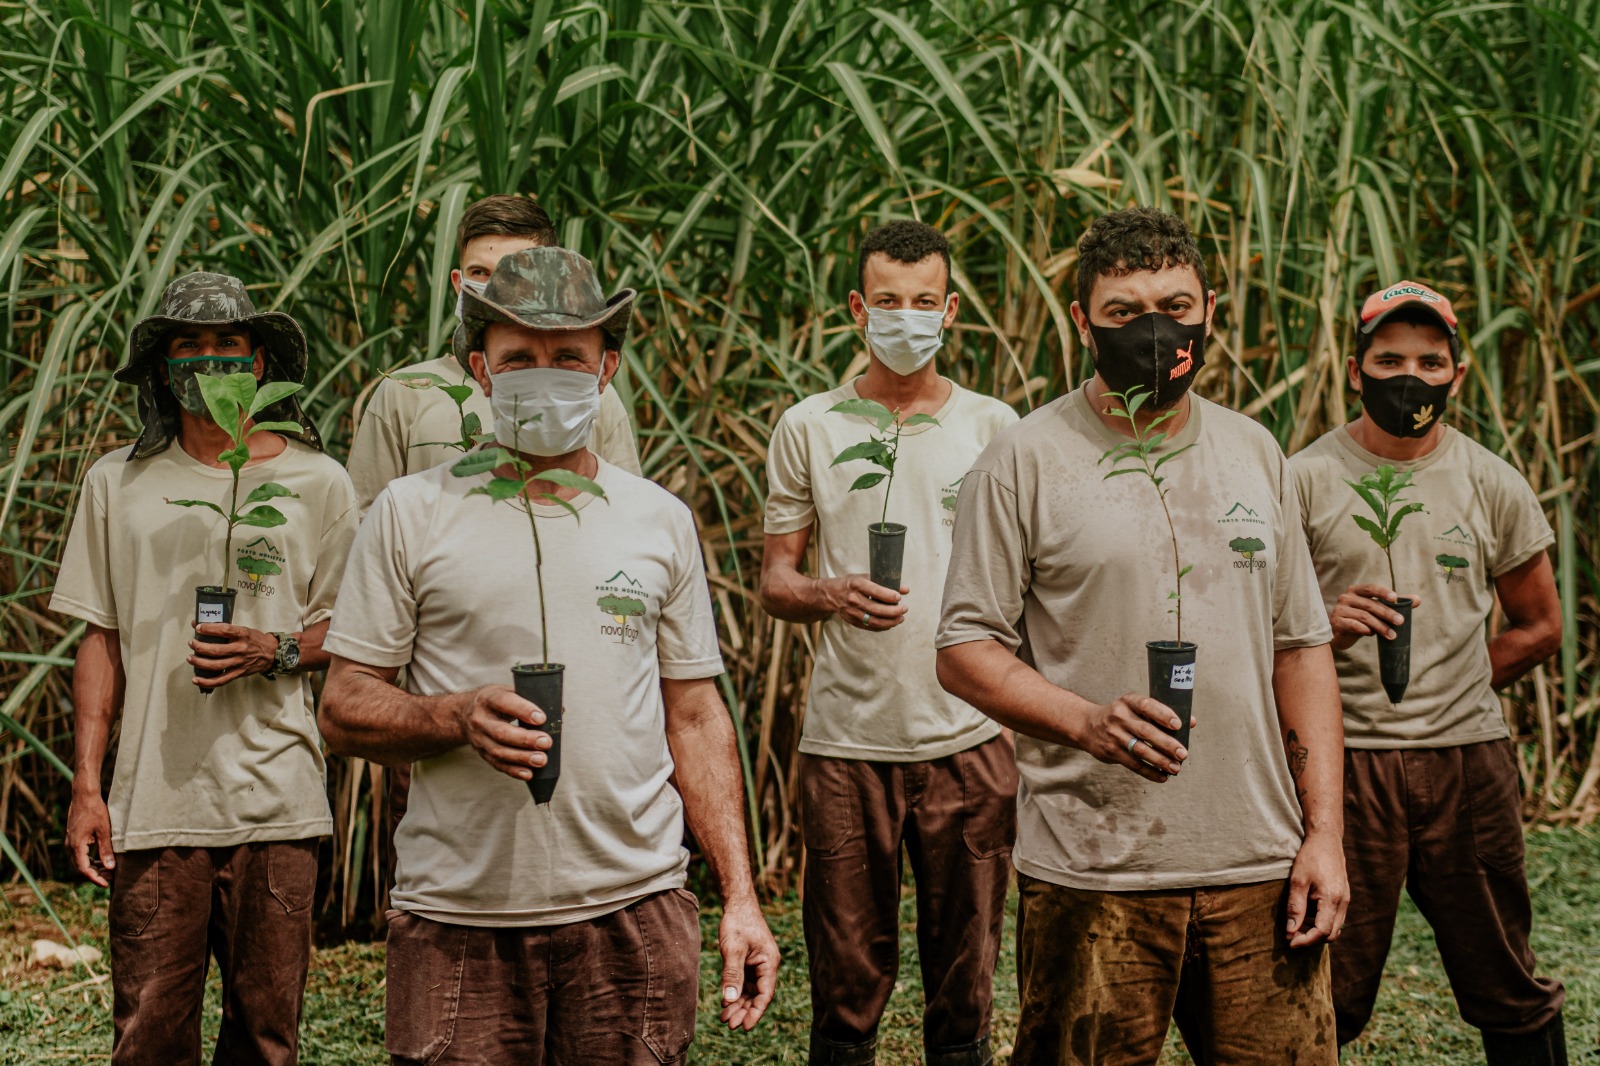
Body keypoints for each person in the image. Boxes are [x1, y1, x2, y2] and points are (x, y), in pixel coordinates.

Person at [319, 247, 779, 1063]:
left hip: (632, 913)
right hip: (460, 919)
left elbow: (697, 714)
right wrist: (455, 716)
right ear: (481, 371)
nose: (545, 375)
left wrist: (739, 895)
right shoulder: (411, 512)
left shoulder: (656, 519)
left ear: (605, 369)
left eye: (567, 356)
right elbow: (345, 704)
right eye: (519, 358)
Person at [935, 206, 1349, 1064]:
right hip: (1094, 872)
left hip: (1258, 868)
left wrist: (1324, 837)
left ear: (1209, 315)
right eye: (1124, 312)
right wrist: (1084, 721)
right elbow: (965, 649)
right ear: (1082, 321)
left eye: (1176, 304)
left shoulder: (1255, 451)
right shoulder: (1024, 459)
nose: (1156, 329)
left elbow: (1300, 647)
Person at [53, 272, 357, 1064]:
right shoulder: (117, 482)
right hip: (153, 806)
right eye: (189, 347)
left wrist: (275, 648)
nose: (210, 361)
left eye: (229, 346)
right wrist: (89, 787)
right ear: (162, 368)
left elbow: (353, 633)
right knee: (149, 1037)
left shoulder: (317, 482)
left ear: (260, 366)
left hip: (278, 803)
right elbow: (101, 642)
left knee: (266, 1038)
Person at [760, 220, 1019, 1066]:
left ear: (950, 312)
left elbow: (1030, 584)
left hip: (970, 736)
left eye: (921, 302)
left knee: (967, 970)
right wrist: (829, 593)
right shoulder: (811, 426)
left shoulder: (995, 429)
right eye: (885, 301)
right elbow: (776, 581)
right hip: (846, 742)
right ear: (855, 310)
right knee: (845, 973)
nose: (904, 317)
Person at [1290, 280, 1567, 1063]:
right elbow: (1262, 627)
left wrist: (1457, 679)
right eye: (1389, 359)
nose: (1408, 375)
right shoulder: (1302, 479)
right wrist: (1326, 627)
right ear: (1355, 369)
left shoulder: (1491, 482)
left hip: (1466, 765)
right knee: (1322, 980)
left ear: (1457, 373)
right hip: (1342, 766)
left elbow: (1540, 624)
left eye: (1429, 360)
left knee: (1504, 976)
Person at [346, 193, 640, 515]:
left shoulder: (588, 393)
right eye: (481, 273)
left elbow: (625, 507)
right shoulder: (403, 393)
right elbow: (366, 515)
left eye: (516, 273)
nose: (499, 288)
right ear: (459, 284)